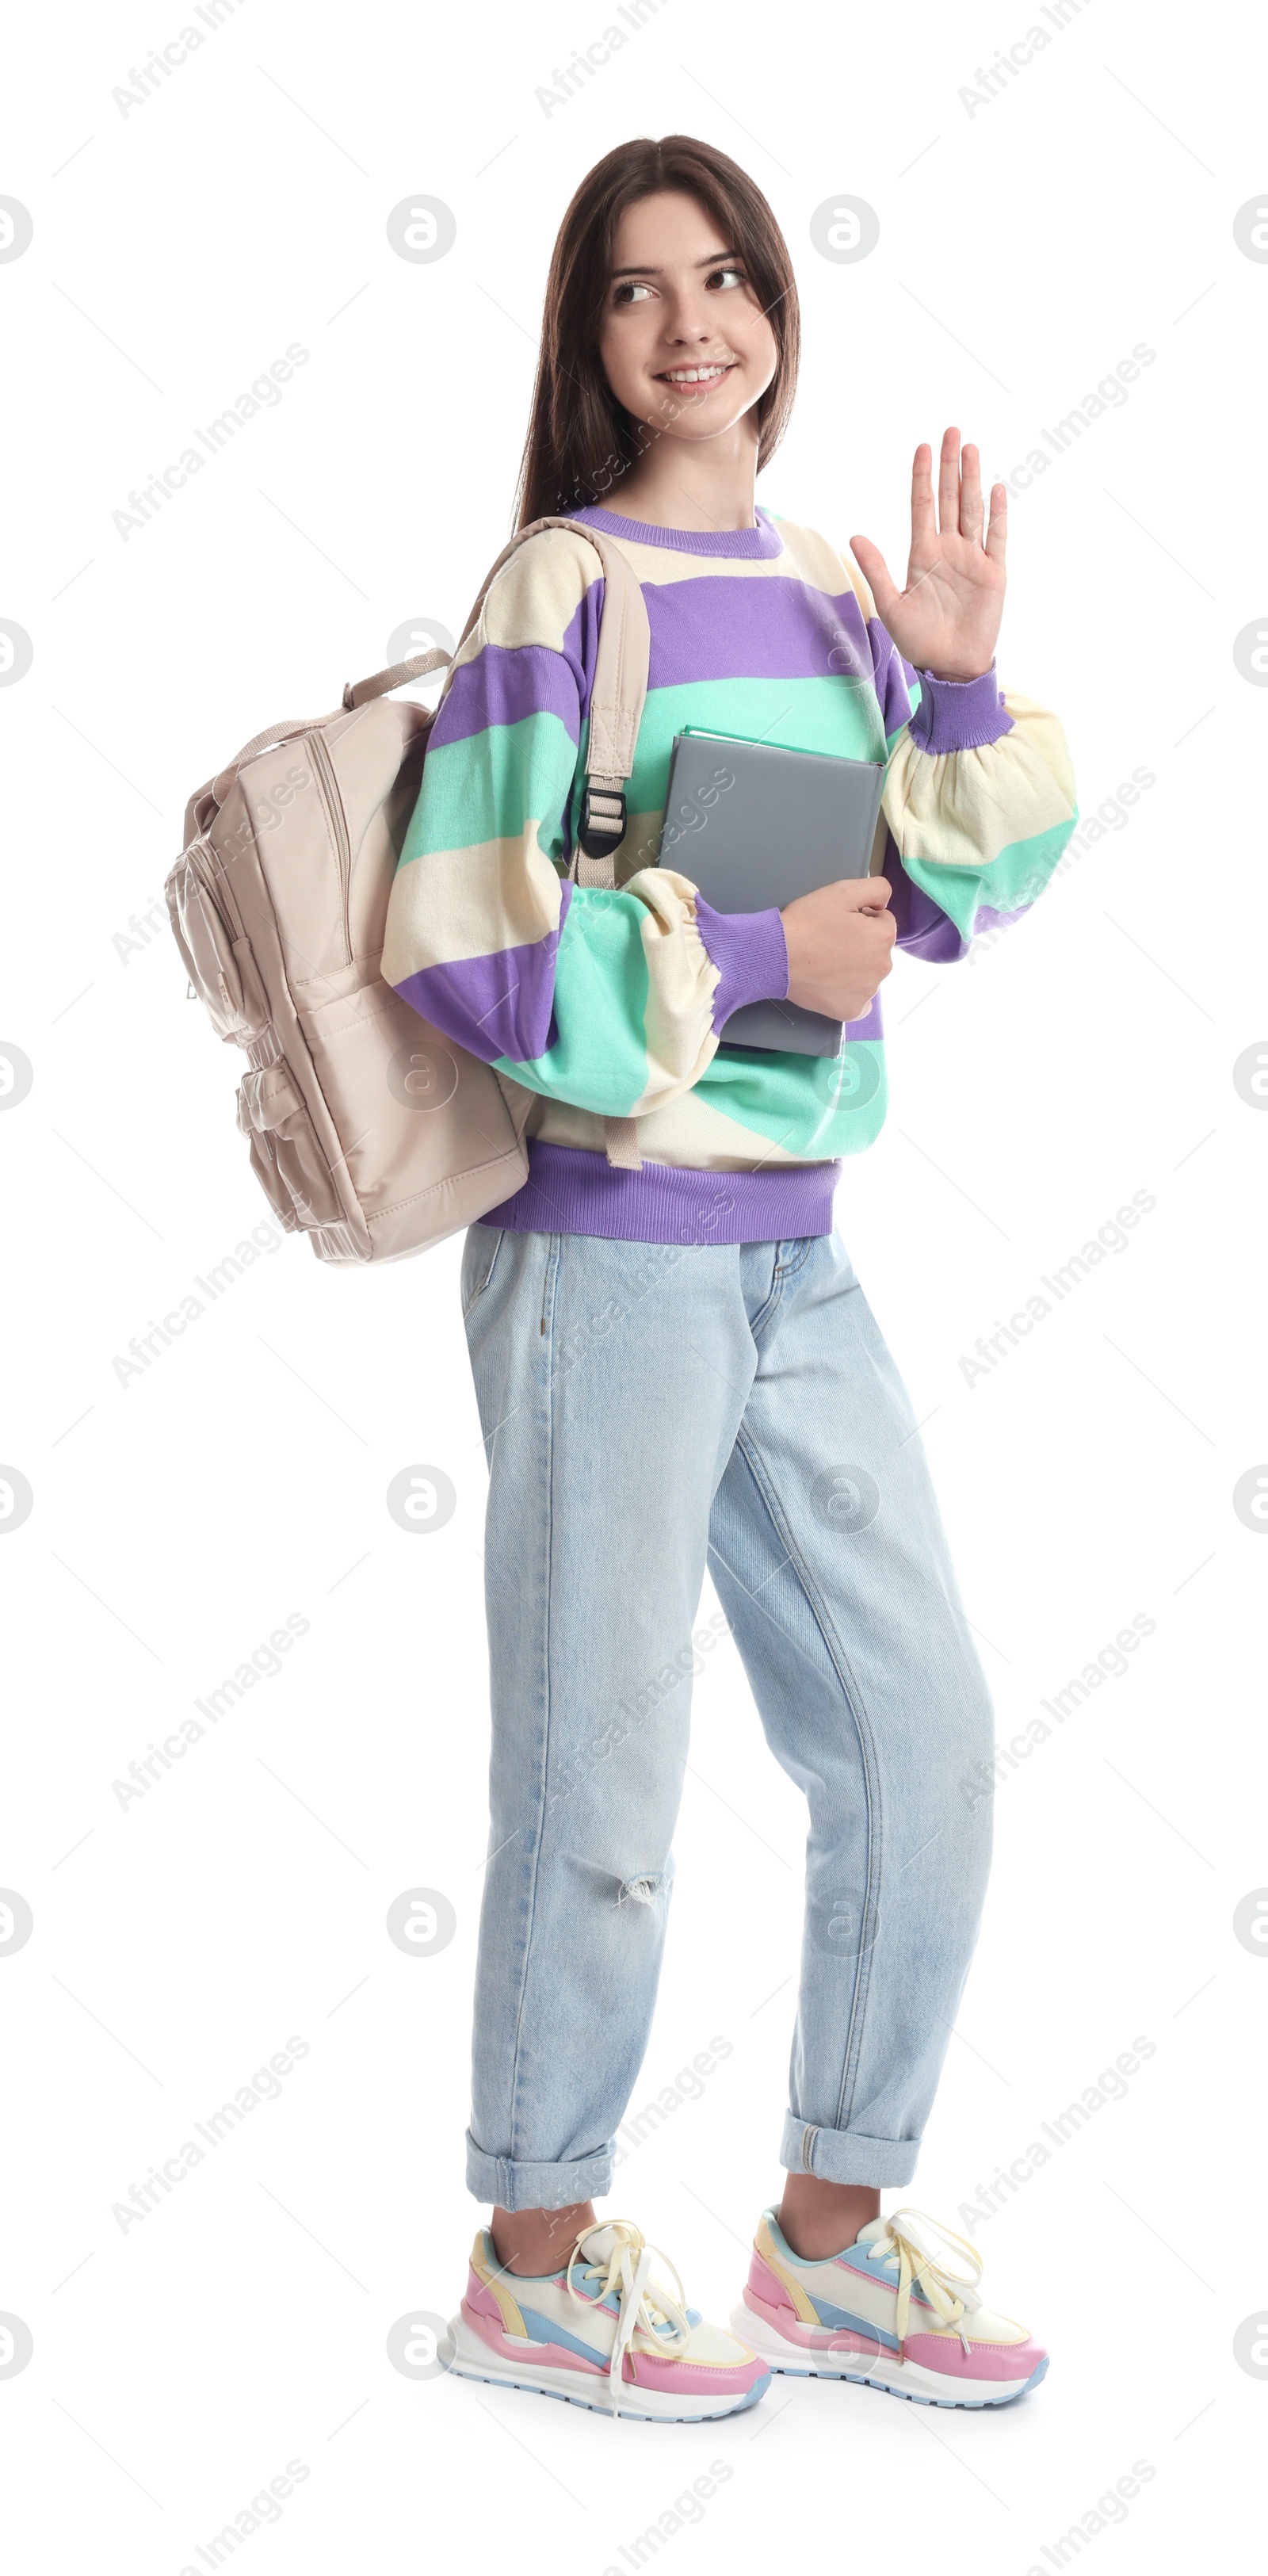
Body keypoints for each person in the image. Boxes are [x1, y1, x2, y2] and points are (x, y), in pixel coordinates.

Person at [382, 133, 1074, 2421]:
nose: (695, 321)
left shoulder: (821, 585)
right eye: (637, 289)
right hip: (608, 1269)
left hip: (803, 1261)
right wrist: (763, 947)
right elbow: (473, 948)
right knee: (603, 1783)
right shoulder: (554, 593)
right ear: (586, 340)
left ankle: (832, 2240)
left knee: (927, 1738)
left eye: (728, 276)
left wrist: (957, 690)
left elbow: (957, 897)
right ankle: (537, 2250)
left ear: (781, 304)